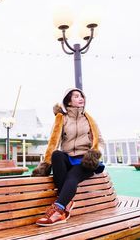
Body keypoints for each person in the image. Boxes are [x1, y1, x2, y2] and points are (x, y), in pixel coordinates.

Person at [32, 88, 105, 226]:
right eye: (76, 96)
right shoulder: (62, 119)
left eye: (81, 96)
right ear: (68, 102)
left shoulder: (89, 119)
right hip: (68, 157)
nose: (81, 98)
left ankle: (59, 209)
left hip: (86, 161)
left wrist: (95, 153)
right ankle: (67, 202)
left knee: (72, 176)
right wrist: (45, 164)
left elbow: (100, 141)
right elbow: (54, 142)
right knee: (57, 154)